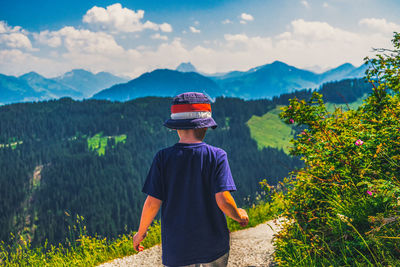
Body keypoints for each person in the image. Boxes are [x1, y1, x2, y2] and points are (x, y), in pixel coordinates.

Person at [132, 92, 249, 267]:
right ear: (206, 126)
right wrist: (239, 215)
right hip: (213, 246)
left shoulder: (162, 158)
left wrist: (141, 233)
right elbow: (223, 200)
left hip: (177, 249)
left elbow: (152, 203)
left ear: (176, 127)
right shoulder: (217, 156)